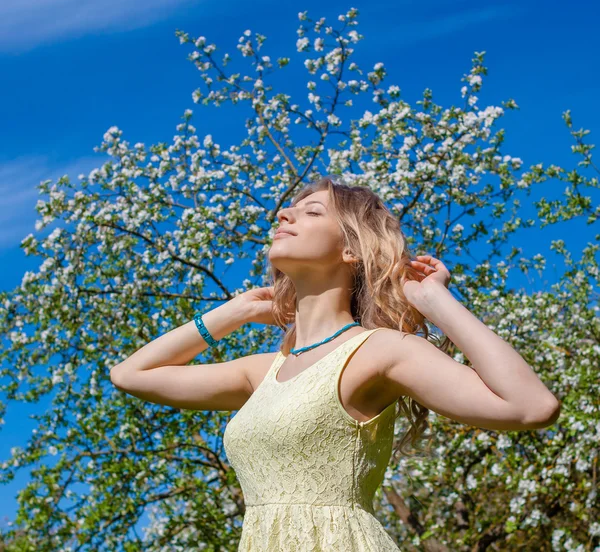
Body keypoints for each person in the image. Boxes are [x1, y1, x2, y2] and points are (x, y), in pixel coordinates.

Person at [110, 176, 561, 551]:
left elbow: (531, 406)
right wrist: (237, 312)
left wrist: (433, 300)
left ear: (351, 250)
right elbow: (130, 375)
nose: (284, 215)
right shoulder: (261, 371)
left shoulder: (382, 350)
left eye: (311, 212)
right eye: (288, 210)